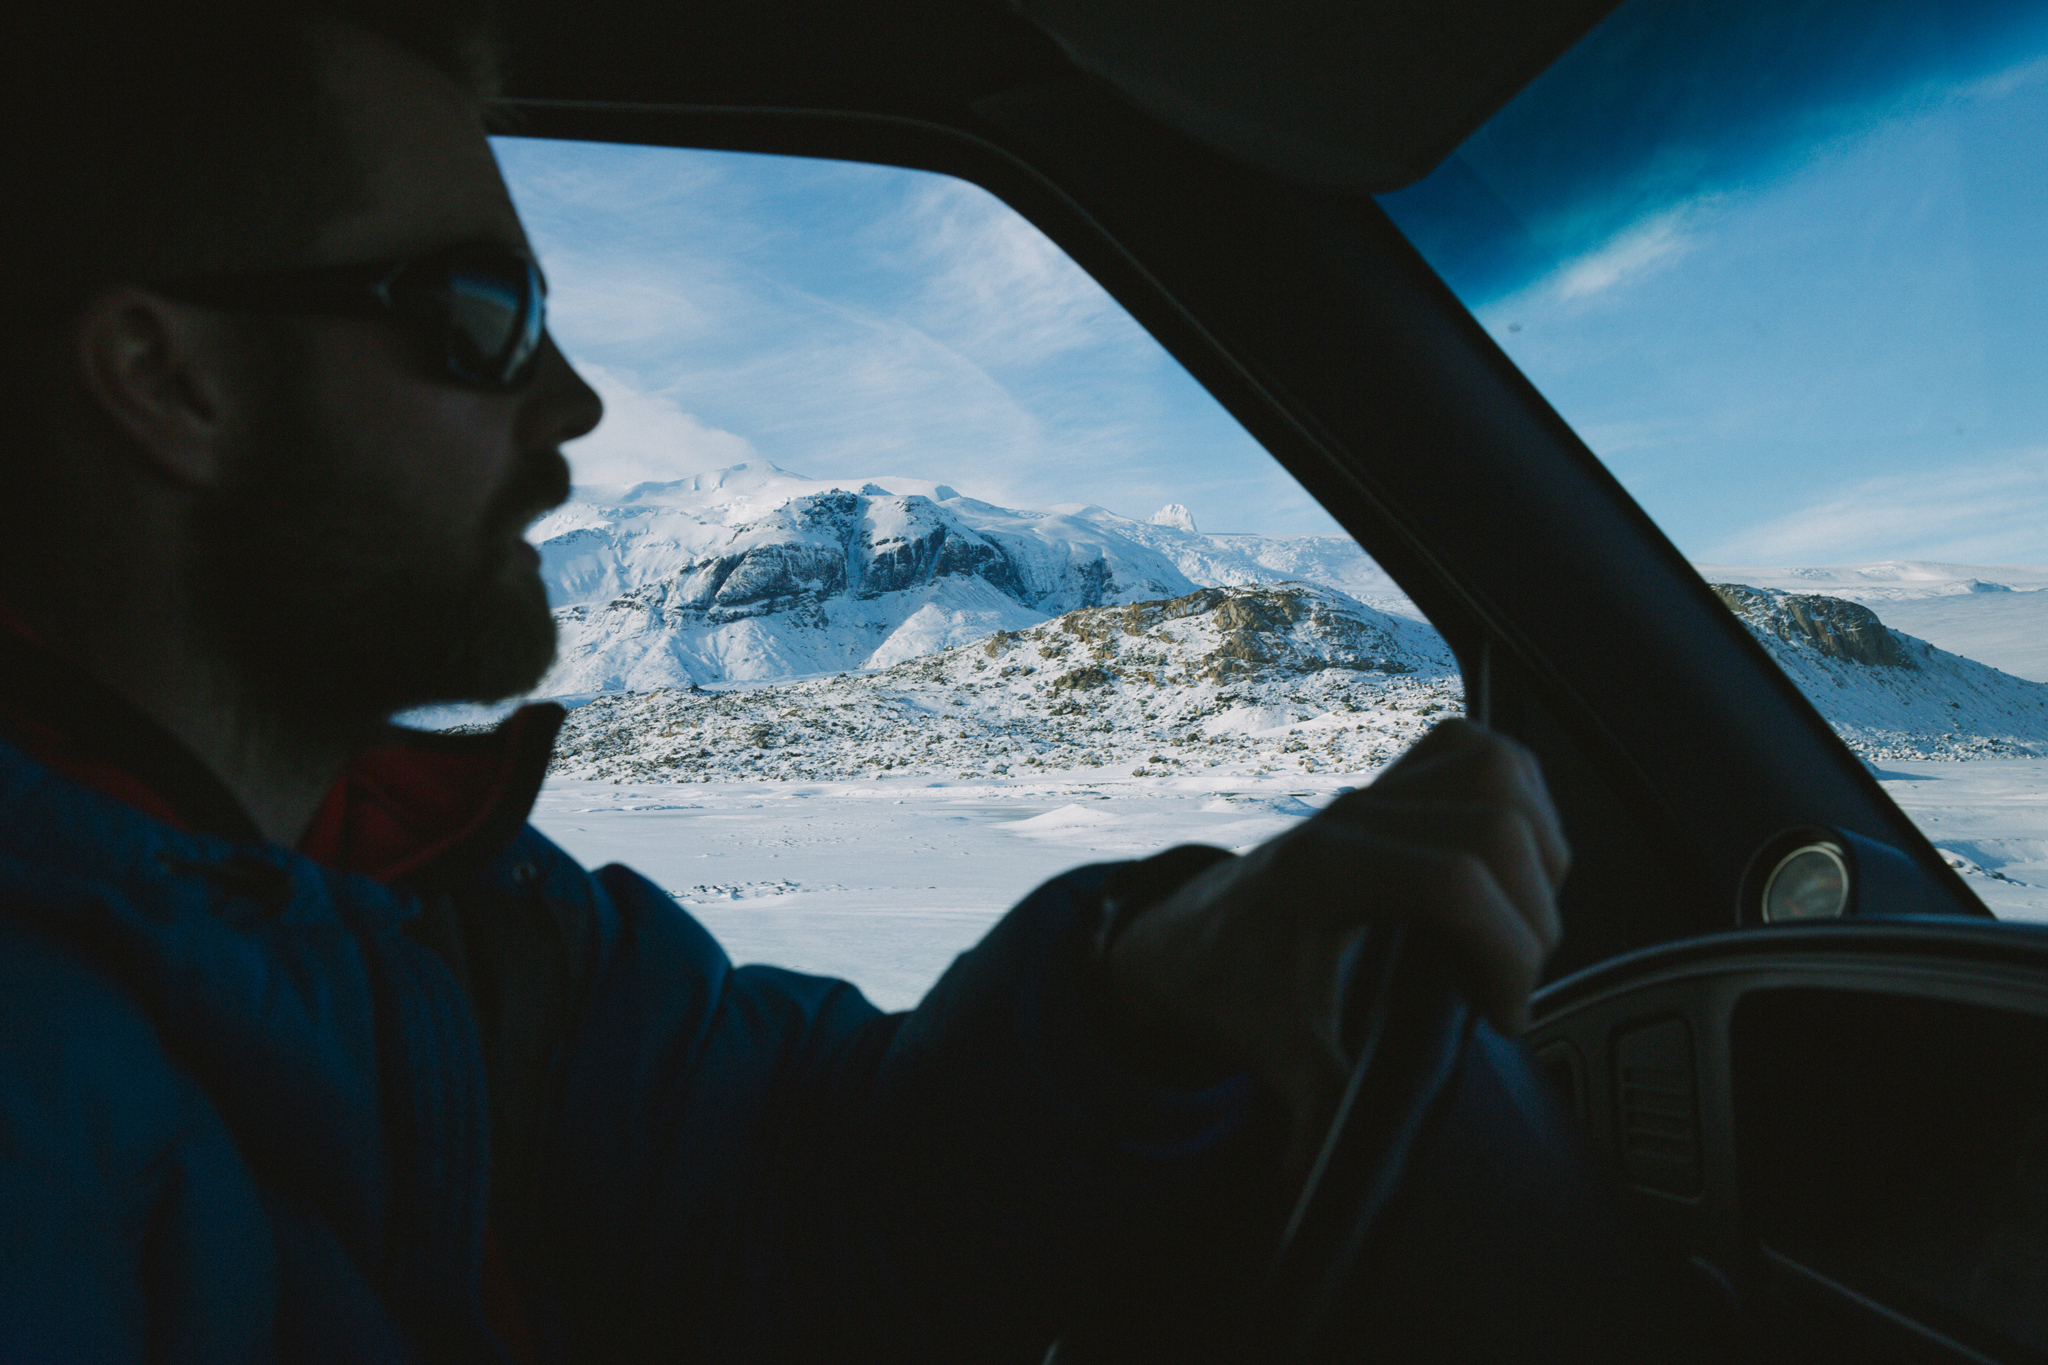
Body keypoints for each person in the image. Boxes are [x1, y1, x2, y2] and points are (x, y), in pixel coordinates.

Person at [0, 1, 1570, 1360]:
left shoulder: (445, 895)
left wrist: (1149, 982)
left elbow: (795, 1185)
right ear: (169, 380)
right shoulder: (53, 1094)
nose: (577, 402)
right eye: (483, 316)